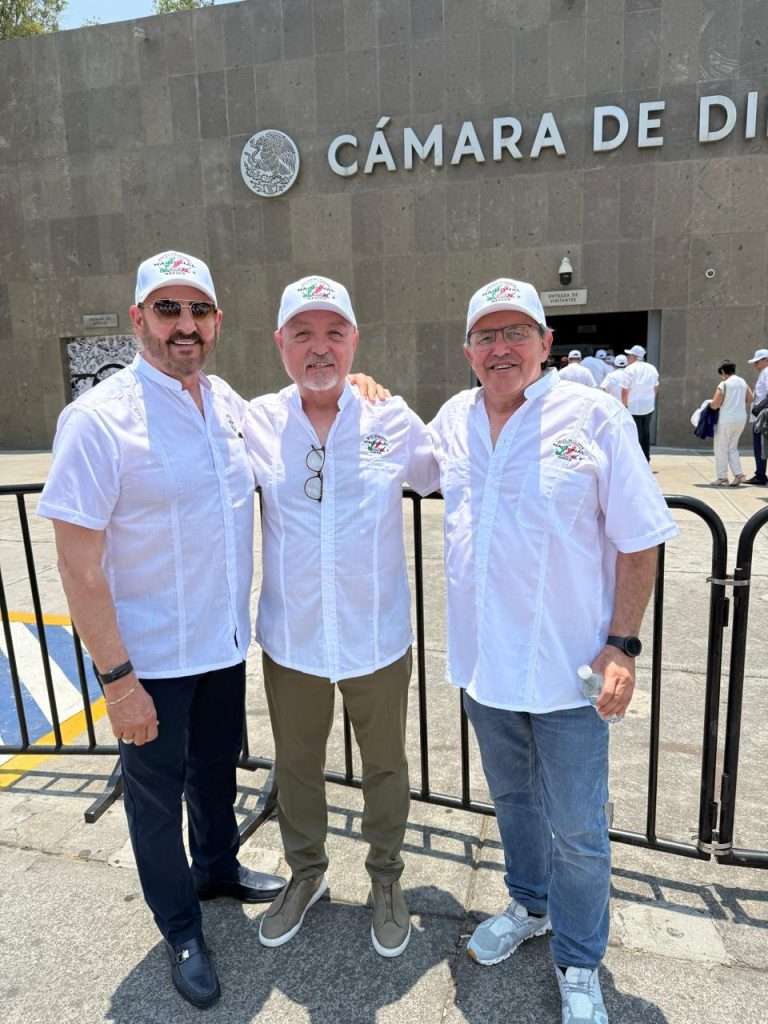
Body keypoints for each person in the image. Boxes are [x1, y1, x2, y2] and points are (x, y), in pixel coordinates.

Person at [36, 251, 294, 1009]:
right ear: (138, 319)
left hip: (220, 647)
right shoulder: (97, 421)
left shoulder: (228, 407)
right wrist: (118, 682)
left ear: (215, 322)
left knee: (214, 773)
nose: (185, 326)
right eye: (168, 310)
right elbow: (79, 568)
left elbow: (308, 417)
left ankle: (217, 867)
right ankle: (180, 926)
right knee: (154, 799)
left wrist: (364, 391)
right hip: (147, 660)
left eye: (198, 312)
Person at [428, 278, 678, 1024]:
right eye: (485, 335)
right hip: (486, 671)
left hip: (571, 673)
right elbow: (395, 462)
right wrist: (364, 392)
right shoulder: (451, 420)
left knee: (576, 828)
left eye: (516, 332)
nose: (500, 347)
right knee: (512, 806)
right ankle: (530, 907)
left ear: (545, 343)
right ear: (468, 349)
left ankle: (578, 960)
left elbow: (640, 539)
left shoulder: (594, 416)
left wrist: (622, 646)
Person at [244, 276, 439, 959]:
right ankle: (307, 874)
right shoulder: (257, 421)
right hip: (292, 637)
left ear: (355, 342)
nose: (319, 348)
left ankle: (386, 880)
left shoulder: (391, 419)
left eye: (334, 333)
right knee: (297, 764)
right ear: (280, 345)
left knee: (385, 765)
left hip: (375, 635)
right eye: (303, 334)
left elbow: (453, 472)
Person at [708, 360, 752, 487]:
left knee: (720, 448)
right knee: (732, 447)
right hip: (741, 418)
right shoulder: (742, 382)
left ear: (722, 372)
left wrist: (709, 405)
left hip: (726, 419)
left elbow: (715, 404)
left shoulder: (724, 384)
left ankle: (722, 477)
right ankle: (738, 475)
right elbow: (750, 398)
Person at [621, 344, 659, 460]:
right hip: (648, 407)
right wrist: (651, 399)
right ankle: (646, 458)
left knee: (633, 435)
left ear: (634, 357)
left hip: (632, 408)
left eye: (629, 356)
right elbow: (656, 387)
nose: (627, 358)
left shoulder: (629, 369)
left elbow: (624, 390)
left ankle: (635, 460)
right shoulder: (652, 368)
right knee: (645, 434)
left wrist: (624, 405)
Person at [746, 348, 768, 484]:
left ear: (766, 360)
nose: (755, 365)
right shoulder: (764, 372)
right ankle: (760, 474)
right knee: (760, 446)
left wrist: (758, 409)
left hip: (762, 417)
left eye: (757, 362)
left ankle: (760, 475)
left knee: (760, 446)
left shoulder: (767, 372)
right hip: (761, 416)